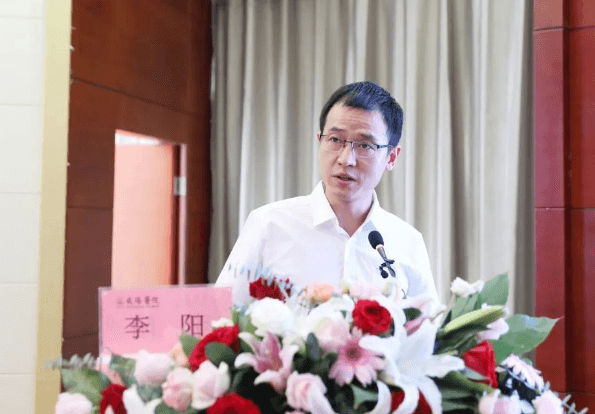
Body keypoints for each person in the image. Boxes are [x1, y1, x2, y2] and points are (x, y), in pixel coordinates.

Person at [216, 81, 438, 305]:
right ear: (320, 141)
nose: (346, 159)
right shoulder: (269, 225)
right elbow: (219, 315)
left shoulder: (407, 242)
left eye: (365, 146)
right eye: (335, 140)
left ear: (391, 157)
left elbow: (428, 323)